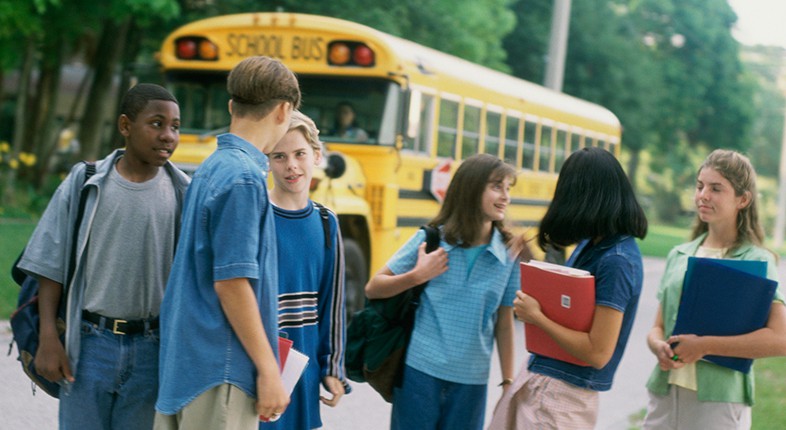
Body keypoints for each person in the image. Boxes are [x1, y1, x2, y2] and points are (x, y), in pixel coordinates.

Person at [17, 83, 189, 429]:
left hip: (151, 351)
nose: (168, 135)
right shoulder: (86, 182)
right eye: (156, 123)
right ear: (125, 126)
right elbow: (49, 266)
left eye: (175, 126)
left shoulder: (184, 192)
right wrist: (49, 338)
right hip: (89, 346)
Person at [154, 56, 301, 430]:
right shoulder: (245, 178)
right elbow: (232, 282)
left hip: (187, 363)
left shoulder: (213, 166)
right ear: (284, 110)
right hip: (222, 368)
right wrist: (269, 370)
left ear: (232, 106)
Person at [488, 146, 648, 429]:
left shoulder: (617, 261)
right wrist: (529, 259)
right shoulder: (595, 245)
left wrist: (536, 317)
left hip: (561, 396)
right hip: (543, 378)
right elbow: (570, 305)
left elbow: (597, 352)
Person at [365, 153, 519, 430]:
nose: (505, 196)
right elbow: (374, 288)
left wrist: (508, 383)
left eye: (508, 188)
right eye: (497, 186)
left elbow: (505, 323)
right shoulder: (433, 239)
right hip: (419, 372)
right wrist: (416, 276)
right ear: (471, 189)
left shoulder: (508, 254)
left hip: (472, 380)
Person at [642, 149, 786, 430]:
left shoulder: (758, 260)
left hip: (719, 403)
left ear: (742, 199)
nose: (702, 195)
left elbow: (780, 338)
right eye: (699, 186)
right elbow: (656, 327)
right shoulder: (679, 254)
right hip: (665, 394)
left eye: (716, 188)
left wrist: (704, 346)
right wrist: (657, 346)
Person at [259, 110, 350, 430]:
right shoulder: (257, 216)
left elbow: (333, 304)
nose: (292, 166)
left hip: (303, 369)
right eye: (279, 156)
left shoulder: (326, 222)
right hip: (259, 368)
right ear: (267, 161)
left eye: (300, 154)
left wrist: (333, 367)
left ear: (317, 155)